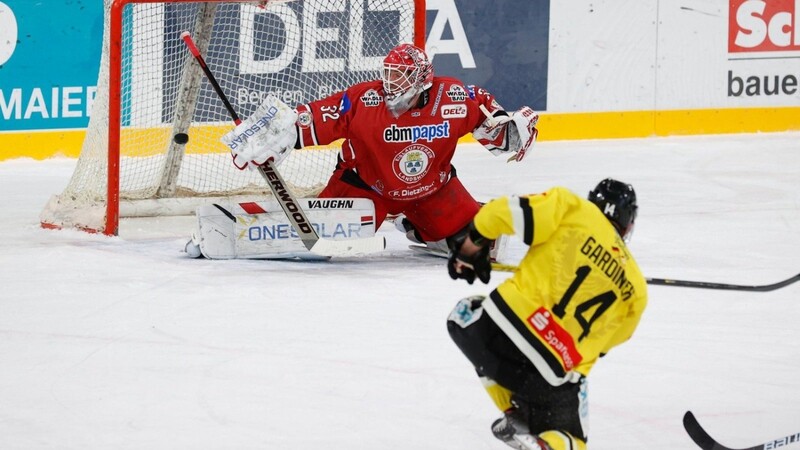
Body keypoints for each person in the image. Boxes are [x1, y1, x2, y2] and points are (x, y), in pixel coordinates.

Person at [226, 43, 540, 255]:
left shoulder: (455, 97)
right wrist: (266, 136)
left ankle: (418, 225)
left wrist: (512, 131)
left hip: (433, 191)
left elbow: (495, 127)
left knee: (477, 243)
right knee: (322, 242)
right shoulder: (365, 99)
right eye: (387, 73)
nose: (390, 83)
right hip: (365, 187)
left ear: (421, 80)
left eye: (399, 75)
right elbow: (308, 119)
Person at [445, 179, 648, 450]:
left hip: (495, 331)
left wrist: (472, 246)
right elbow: (602, 347)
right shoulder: (636, 288)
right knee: (572, 438)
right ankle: (547, 441)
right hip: (551, 369)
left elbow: (497, 213)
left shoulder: (573, 208)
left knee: (463, 314)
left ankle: (513, 413)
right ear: (628, 222)